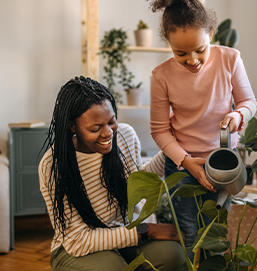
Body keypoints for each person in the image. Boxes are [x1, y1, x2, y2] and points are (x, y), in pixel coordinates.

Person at [148, 0, 257, 260]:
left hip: (223, 164)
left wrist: (237, 115)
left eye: (200, 49)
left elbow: (248, 101)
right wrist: (186, 162)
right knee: (188, 233)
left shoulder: (230, 59)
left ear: (211, 34)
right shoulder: (161, 76)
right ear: (169, 45)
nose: (192, 60)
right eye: (180, 53)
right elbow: (160, 130)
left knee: (215, 233)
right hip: (183, 167)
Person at [39, 76, 185, 271]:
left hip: (122, 235)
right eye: (95, 128)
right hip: (78, 247)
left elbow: (137, 183)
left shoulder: (125, 135)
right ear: (72, 126)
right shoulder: (53, 165)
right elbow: (78, 241)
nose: (108, 133)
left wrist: (173, 147)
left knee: (173, 255)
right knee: (113, 268)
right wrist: (147, 230)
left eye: (111, 121)